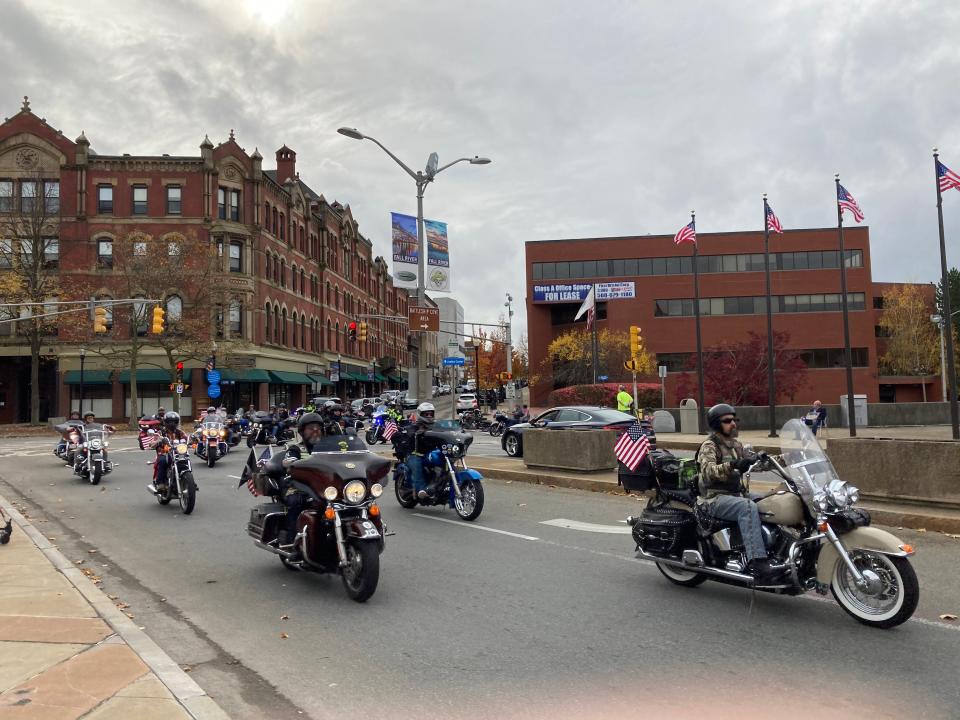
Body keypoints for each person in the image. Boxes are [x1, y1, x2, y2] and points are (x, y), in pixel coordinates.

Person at [696, 403, 783, 584]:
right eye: (727, 421)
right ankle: (757, 562)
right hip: (713, 498)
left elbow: (753, 465)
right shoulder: (709, 446)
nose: (733, 424)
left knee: (776, 500)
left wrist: (784, 460)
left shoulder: (736, 445)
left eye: (734, 419)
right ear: (716, 424)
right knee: (747, 507)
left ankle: (779, 550)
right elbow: (708, 471)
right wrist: (733, 465)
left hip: (736, 495)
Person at [276, 412, 326, 550]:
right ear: (302, 431)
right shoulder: (296, 448)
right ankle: (292, 542)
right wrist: (292, 462)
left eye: (318, 428)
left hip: (323, 488)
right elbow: (288, 461)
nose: (315, 431)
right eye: (311, 428)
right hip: (298, 487)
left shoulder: (326, 449)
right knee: (296, 502)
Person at [147, 411, 188, 494]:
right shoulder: (160, 432)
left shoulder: (180, 432)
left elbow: (187, 439)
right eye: (170, 422)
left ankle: (189, 482)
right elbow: (151, 444)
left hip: (178, 453)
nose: (172, 424)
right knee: (162, 461)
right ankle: (160, 483)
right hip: (165, 453)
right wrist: (158, 441)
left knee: (186, 461)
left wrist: (193, 440)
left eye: (174, 422)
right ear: (166, 422)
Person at [407, 402, 436, 500]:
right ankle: (422, 491)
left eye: (431, 414)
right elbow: (410, 432)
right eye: (426, 414)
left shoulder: (436, 425)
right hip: (416, 454)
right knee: (417, 466)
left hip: (432, 453)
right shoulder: (415, 426)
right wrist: (416, 433)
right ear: (420, 414)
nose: (429, 416)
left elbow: (446, 431)